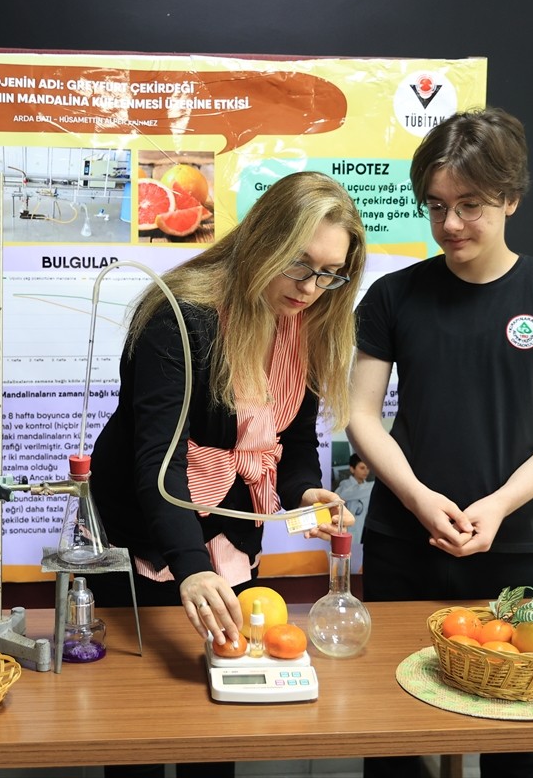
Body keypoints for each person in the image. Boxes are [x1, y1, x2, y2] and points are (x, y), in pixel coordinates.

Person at [347, 108, 533, 778]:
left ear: (512, 199)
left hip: (514, 543)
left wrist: (499, 504)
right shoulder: (394, 296)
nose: (450, 225)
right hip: (403, 542)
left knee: (515, 730)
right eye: (435, 206)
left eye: (470, 205)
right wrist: (413, 497)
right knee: (393, 730)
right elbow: (361, 414)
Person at [87, 171, 366, 778]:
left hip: (231, 527)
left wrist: (303, 491)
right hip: (150, 523)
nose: (310, 287)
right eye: (299, 265)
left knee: (221, 705)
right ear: (264, 238)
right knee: (143, 718)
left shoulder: (305, 325)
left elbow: (290, 441)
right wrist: (189, 568)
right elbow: (156, 460)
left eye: (328, 274)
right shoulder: (182, 318)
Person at [334, 453, 374, 560]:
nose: (366, 471)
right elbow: (340, 498)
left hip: (363, 528)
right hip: (347, 529)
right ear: (352, 469)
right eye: (362, 468)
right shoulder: (344, 486)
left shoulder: (368, 487)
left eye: (367, 468)